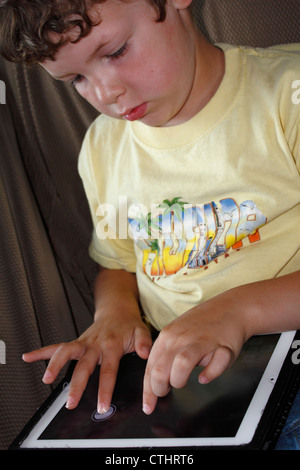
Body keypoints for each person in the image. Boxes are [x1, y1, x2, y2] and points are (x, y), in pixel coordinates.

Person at [0, 0, 299, 438]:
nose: (105, 94)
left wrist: (238, 311)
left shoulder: (286, 95)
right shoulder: (103, 148)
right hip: (190, 381)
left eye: (116, 51)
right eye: (77, 79)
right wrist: (115, 315)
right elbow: (119, 261)